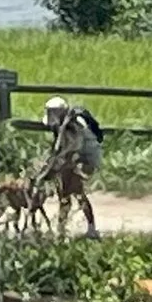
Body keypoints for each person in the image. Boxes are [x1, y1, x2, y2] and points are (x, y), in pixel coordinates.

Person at [43, 97, 103, 239]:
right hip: (73, 158)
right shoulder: (62, 125)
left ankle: (90, 228)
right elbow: (60, 148)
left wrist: (55, 167)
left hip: (85, 159)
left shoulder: (75, 126)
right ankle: (62, 227)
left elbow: (74, 149)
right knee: (64, 192)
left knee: (76, 190)